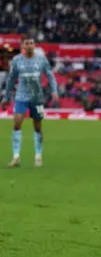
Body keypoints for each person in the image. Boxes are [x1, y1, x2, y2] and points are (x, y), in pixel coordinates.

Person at [1, 36, 58, 168]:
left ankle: (38, 155)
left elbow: (50, 75)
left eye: (32, 43)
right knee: (17, 123)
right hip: (21, 96)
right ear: (23, 46)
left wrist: (54, 90)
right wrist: (6, 97)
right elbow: (11, 79)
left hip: (37, 97)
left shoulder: (41, 59)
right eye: (28, 43)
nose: (31, 45)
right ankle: (16, 157)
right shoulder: (16, 60)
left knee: (37, 126)